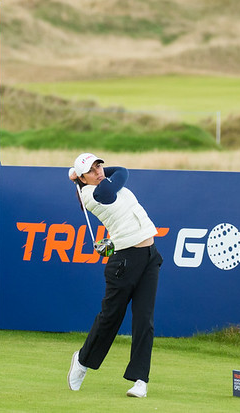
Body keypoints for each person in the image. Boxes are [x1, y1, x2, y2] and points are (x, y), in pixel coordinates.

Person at [66, 152, 163, 398]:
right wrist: (80, 179)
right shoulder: (95, 194)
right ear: (84, 180)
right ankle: (82, 361)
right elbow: (123, 172)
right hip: (125, 261)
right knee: (111, 318)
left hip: (149, 257)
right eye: (92, 170)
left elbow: (119, 170)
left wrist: (81, 174)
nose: (99, 171)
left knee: (144, 320)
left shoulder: (98, 183)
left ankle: (140, 380)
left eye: (100, 166)